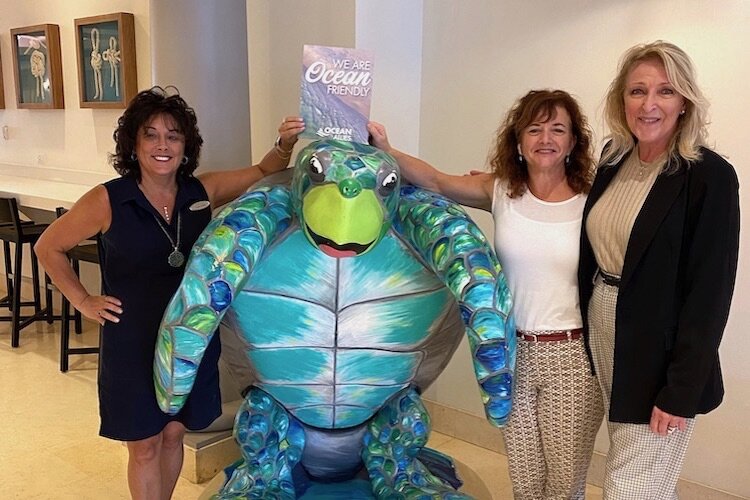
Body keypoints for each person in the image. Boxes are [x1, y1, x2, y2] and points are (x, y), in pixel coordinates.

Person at [34, 86, 304, 500]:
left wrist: (285, 144)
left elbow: (261, 170)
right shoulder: (108, 199)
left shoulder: (201, 191)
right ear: (134, 144)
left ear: (185, 146)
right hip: (133, 337)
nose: (163, 145)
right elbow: (48, 245)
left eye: (173, 136)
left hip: (189, 337)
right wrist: (82, 300)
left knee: (174, 433)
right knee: (144, 444)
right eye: (151, 135)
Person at [368, 89, 604, 500]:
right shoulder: (502, 192)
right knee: (526, 481)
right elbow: (436, 179)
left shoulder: (592, 199)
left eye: (557, 129)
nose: (545, 138)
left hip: (571, 355)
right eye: (534, 128)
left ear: (572, 142)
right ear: (518, 140)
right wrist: (387, 149)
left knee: (564, 486)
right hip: (511, 351)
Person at [579, 41, 740, 499]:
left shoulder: (709, 176)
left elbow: (710, 293)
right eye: (637, 91)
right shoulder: (614, 160)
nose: (649, 105)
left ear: (685, 100)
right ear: (621, 99)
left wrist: (680, 391)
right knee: (646, 483)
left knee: (630, 488)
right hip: (606, 332)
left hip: (659, 358)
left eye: (665, 92)